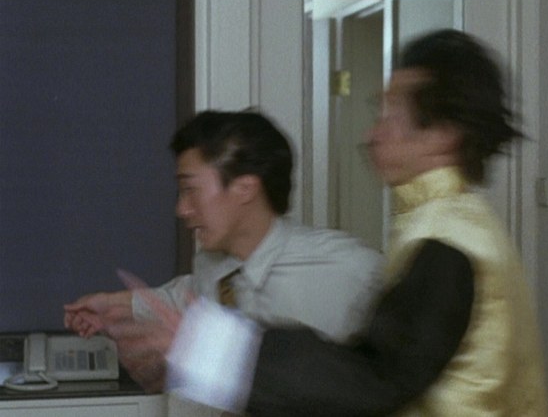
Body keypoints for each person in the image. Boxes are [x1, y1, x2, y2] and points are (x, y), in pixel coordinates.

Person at [123, 29, 548, 416]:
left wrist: (214, 349)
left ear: (443, 134)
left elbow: (373, 380)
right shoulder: (451, 224)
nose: (371, 135)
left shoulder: (448, 242)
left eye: (390, 114)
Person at [62, 110, 383, 391]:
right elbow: (186, 297)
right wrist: (114, 307)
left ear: (245, 188)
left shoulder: (347, 269)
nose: (181, 209)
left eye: (190, 189)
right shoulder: (214, 266)